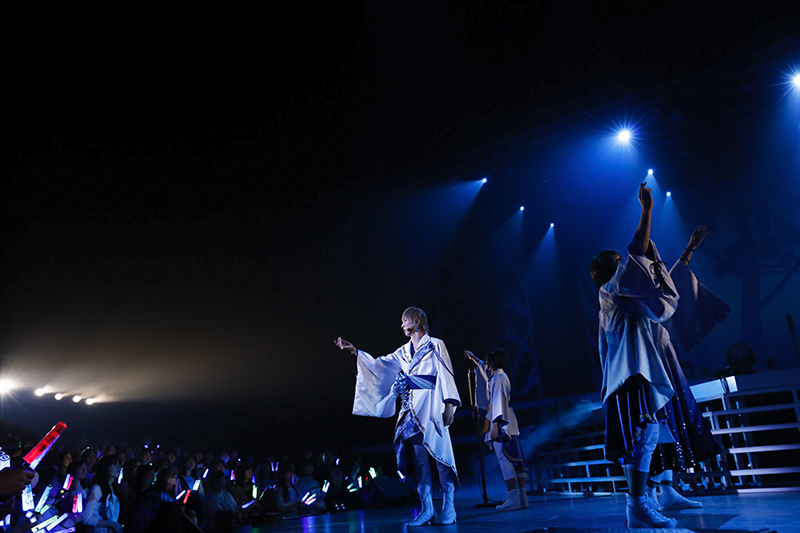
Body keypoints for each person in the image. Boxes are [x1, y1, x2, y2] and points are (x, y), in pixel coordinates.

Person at [590, 182, 729, 528]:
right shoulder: (612, 290)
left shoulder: (626, 296)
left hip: (642, 369)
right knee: (643, 434)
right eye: (621, 263)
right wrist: (647, 210)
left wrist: (688, 252)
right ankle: (639, 504)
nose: (628, 265)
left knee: (653, 432)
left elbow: (663, 280)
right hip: (632, 371)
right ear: (612, 271)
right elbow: (639, 254)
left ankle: (649, 498)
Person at [335, 306, 461, 526]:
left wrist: (449, 403)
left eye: (404, 320)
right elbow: (379, 365)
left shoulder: (435, 345)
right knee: (420, 462)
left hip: (432, 406)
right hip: (411, 411)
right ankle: (427, 509)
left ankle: (449, 507)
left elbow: (446, 373)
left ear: (416, 321)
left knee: (441, 457)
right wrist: (355, 351)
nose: (402, 325)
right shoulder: (402, 351)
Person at [465, 348, 528, 511]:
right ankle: (522, 498)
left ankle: (513, 498)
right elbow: (484, 369)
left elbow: (498, 401)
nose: (486, 364)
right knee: (516, 460)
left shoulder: (498, 379)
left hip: (501, 422)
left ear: (492, 362)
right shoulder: (500, 376)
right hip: (508, 421)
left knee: (505, 459)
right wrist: (474, 359)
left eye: (488, 361)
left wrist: (494, 425)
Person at [82, 455, 123, 533]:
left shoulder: (113, 488)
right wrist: (112, 524)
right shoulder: (97, 488)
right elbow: (86, 518)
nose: (119, 468)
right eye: (115, 465)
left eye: (119, 465)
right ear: (106, 467)